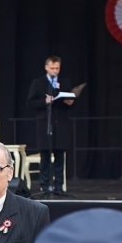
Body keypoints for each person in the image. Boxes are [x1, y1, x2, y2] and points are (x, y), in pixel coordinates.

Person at [27, 56, 76, 197]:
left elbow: (70, 99)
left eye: (57, 68)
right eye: (52, 68)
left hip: (61, 124)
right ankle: (45, 186)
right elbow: (30, 103)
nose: (55, 71)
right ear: (46, 67)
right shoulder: (38, 83)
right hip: (45, 124)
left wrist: (70, 102)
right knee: (45, 157)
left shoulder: (65, 81)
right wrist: (44, 101)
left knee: (60, 156)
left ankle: (59, 186)